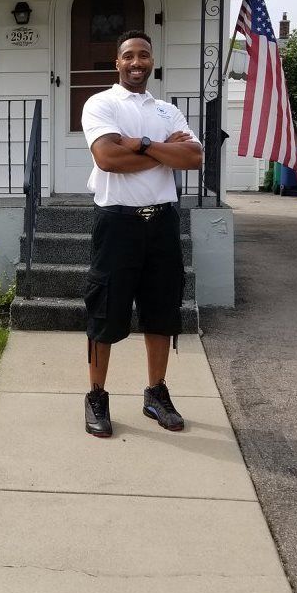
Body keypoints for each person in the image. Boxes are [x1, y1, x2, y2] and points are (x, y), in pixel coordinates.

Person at [80, 30, 203, 438]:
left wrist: (142, 143)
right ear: (117, 62)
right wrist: (163, 151)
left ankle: (155, 393)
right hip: (117, 222)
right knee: (105, 310)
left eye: (144, 55)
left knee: (162, 309)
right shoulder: (102, 103)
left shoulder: (168, 112)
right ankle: (96, 395)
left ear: (153, 62)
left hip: (163, 223)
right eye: (129, 55)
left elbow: (194, 157)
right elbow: (108, 158)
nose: (137, 62)